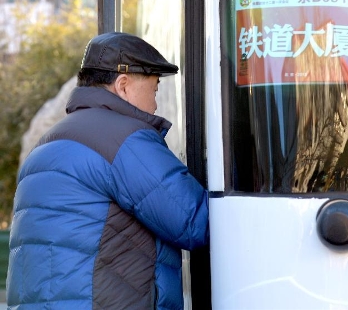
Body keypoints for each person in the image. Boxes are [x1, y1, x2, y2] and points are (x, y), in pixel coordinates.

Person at [7, 32, 209, 310]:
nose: (155, 104)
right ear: (123, 85)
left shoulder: (46, 144)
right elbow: (193, 221)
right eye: (154, 89)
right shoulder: (126, 139)